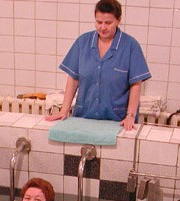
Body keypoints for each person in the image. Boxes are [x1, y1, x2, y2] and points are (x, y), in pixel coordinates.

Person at [45, 0, 151, 131]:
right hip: (84, 117)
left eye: (108, 23)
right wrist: (64, 110)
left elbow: (136, 84)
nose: (103, 27)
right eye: (99, 22)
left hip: (118, 121)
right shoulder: (82, 42)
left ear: (118, 20)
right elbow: (73, 78)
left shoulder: (130, 46)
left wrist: (130, 116)